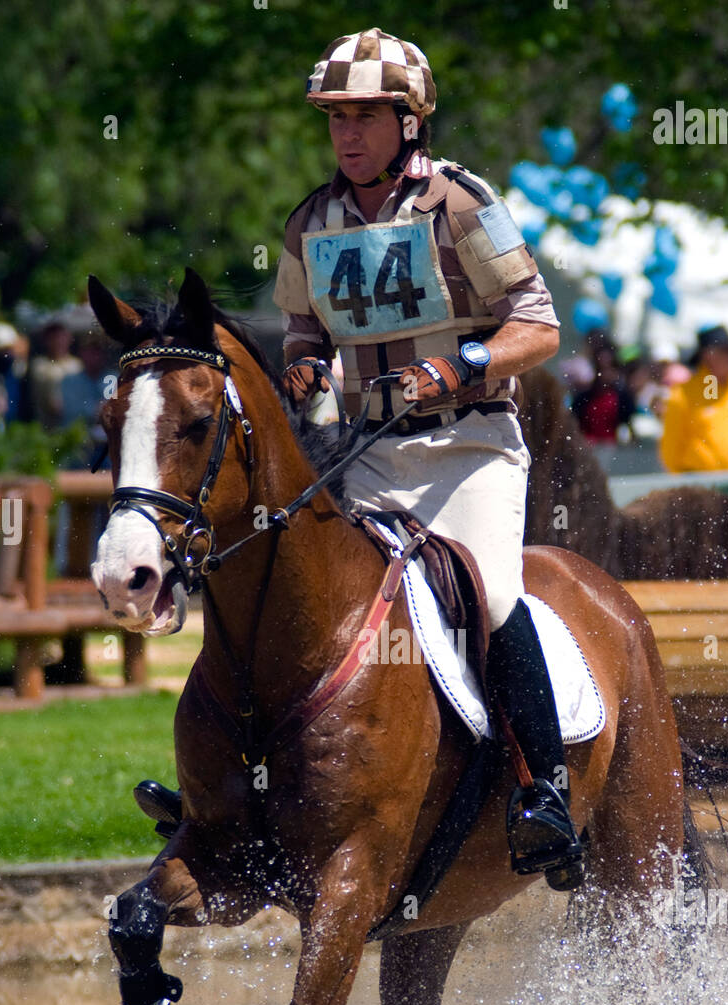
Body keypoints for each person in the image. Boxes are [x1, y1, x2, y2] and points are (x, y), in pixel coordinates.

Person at [141, 28, 584, 889]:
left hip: (469, 448)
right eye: (337, 118)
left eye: (368, 116)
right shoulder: (311, 221)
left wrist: (464, 363)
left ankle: (545, 793)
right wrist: (305, 363)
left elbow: (539, 325)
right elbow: (306, 327)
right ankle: (227, 794)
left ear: (409, 121)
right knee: (286, 582)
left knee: (491, 593)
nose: (348, 134)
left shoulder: (463, 203)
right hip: (369, 453)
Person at [659, 325, 728, 473]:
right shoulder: (682, 395)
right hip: (700, 486)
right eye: (727, 351)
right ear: (708, 355)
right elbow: (670, 451)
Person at [570, 342, 635, 442]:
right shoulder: (583, 398)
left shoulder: (624, 399)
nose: (605, 373)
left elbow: (629, 429)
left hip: (617, 453)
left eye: (610, 368)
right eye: (601, 369)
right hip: (588, 450)